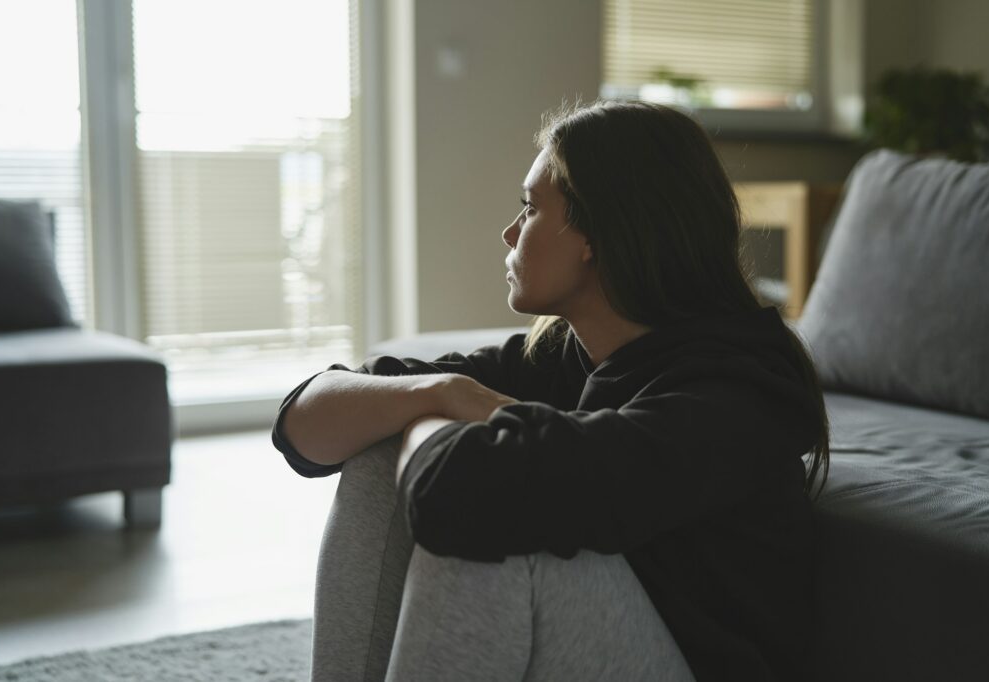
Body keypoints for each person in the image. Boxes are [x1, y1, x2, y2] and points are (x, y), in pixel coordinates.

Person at [272, 100, 830, 682]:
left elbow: (451, 494)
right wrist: (443, 390)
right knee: (379, 446)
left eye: (531, 208)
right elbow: (303, 426)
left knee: (492, 538)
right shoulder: (569, 355)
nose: (510, 231)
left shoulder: (736, 392)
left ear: (598, 234)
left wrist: (436, 411)